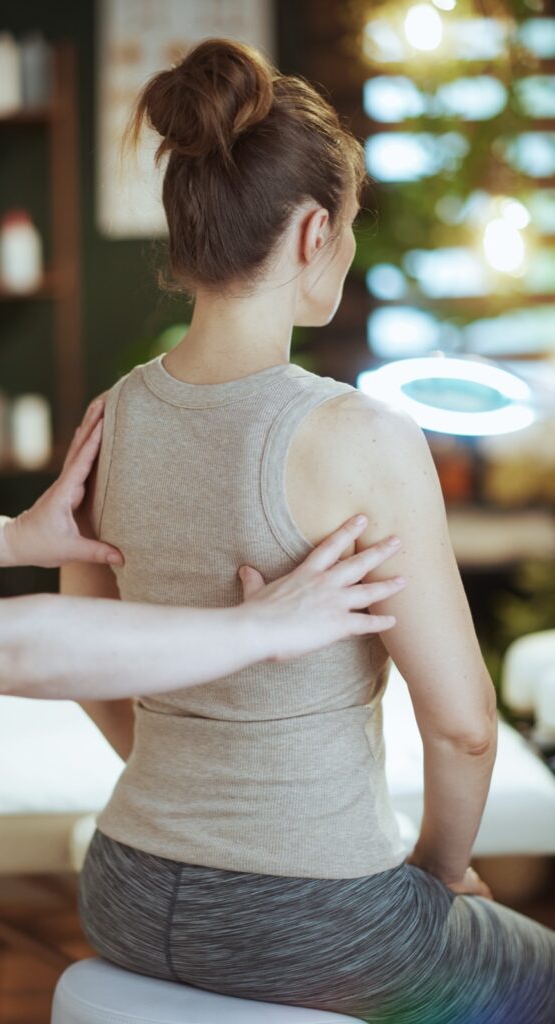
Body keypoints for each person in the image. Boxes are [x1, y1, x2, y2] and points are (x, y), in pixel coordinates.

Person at [63, 38, 554, 1024]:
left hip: (121, 885)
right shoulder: (357, 434)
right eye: (352, 230)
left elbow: (82, 651)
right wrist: (435, 875)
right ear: (311, 232)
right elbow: (460, 725)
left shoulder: (115, 413)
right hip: (320, 916)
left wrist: (181, 799)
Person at [0, 397, 405, 699]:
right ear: (316, 235)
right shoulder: (367, 432)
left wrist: (11, 538)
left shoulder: (128, 406)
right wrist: (260, 627)